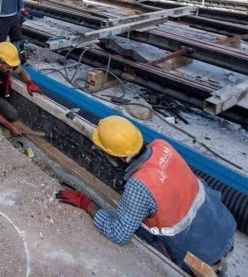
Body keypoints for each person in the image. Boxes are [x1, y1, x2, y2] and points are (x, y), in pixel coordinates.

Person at [56, 116, 236, 275]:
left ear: (115, 155)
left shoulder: (140, 185)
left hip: (199, 253)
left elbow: (119, 234)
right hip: (222, 226)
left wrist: (86, 203)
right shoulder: (162, 146)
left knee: (136, 229)